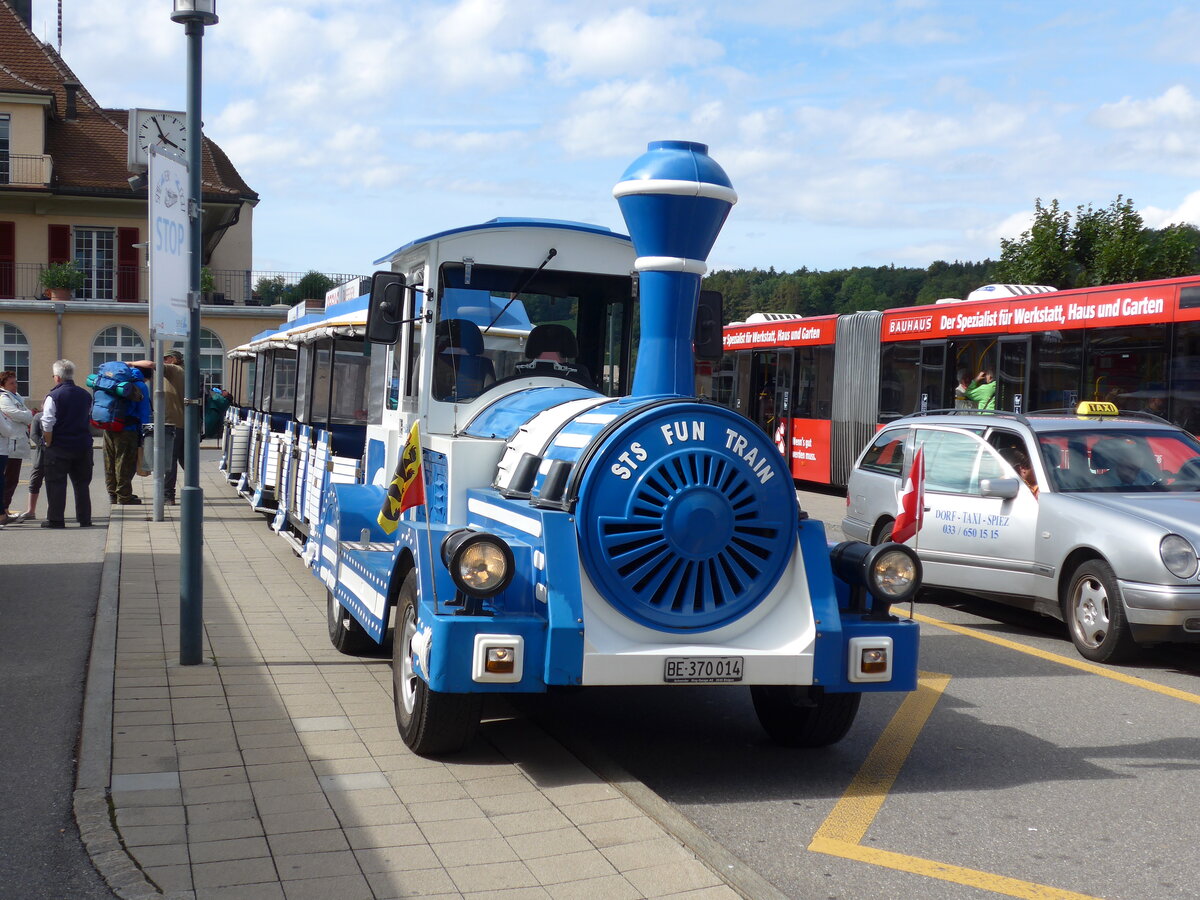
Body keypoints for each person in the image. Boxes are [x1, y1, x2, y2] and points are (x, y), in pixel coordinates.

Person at [41, 359, 95, 528]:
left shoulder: (54, 396)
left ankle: (56, 519)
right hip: (82, 445)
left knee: (56, 484)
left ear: (57, 377)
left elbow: (47, 422)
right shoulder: (85, 395)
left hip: (59, 446)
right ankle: (84, 518)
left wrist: (48, 442)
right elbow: (89, 416)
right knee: (82, 484)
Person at [133, 352, 184, 503]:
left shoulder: (174, 369)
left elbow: (150, 364)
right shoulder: (184, 371)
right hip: (184, 423)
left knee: (169, 460)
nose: (163, 362)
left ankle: (168, 495)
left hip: (172, 422)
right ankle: (191, 490)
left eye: (166, 359)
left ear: (174, 359)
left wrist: (129, 364)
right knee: (185, 460)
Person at [102, 362, 151, 505]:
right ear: (146, 376)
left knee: (109, 461)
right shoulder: (140, 385)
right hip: (128, 429)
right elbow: (144, 412)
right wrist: (144, 433)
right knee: (124, 462)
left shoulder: (113, 380)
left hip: (108, 425)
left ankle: (112, 494)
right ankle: (124, 496)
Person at [0, 370, 34, 523]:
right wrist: (27, 415)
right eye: (11, 383)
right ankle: (3, 510)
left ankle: (5, 509)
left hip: (17, 443)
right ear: (3, 385)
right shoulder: (3, 398)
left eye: (16, 382)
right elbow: (18, 414)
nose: (15, 385)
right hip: (10, 444)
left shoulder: (16, 396)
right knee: (9, 479)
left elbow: (26, 414)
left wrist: (26, 415)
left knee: (12, 479)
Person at [21, 409, 45, 520]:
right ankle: (31, 511)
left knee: (54, 484)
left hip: (56, 456)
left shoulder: (59, 415)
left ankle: (52, 511)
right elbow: (33, 435)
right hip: (41, 456)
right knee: (34, 482)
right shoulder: (38, 417)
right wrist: (45, 445)